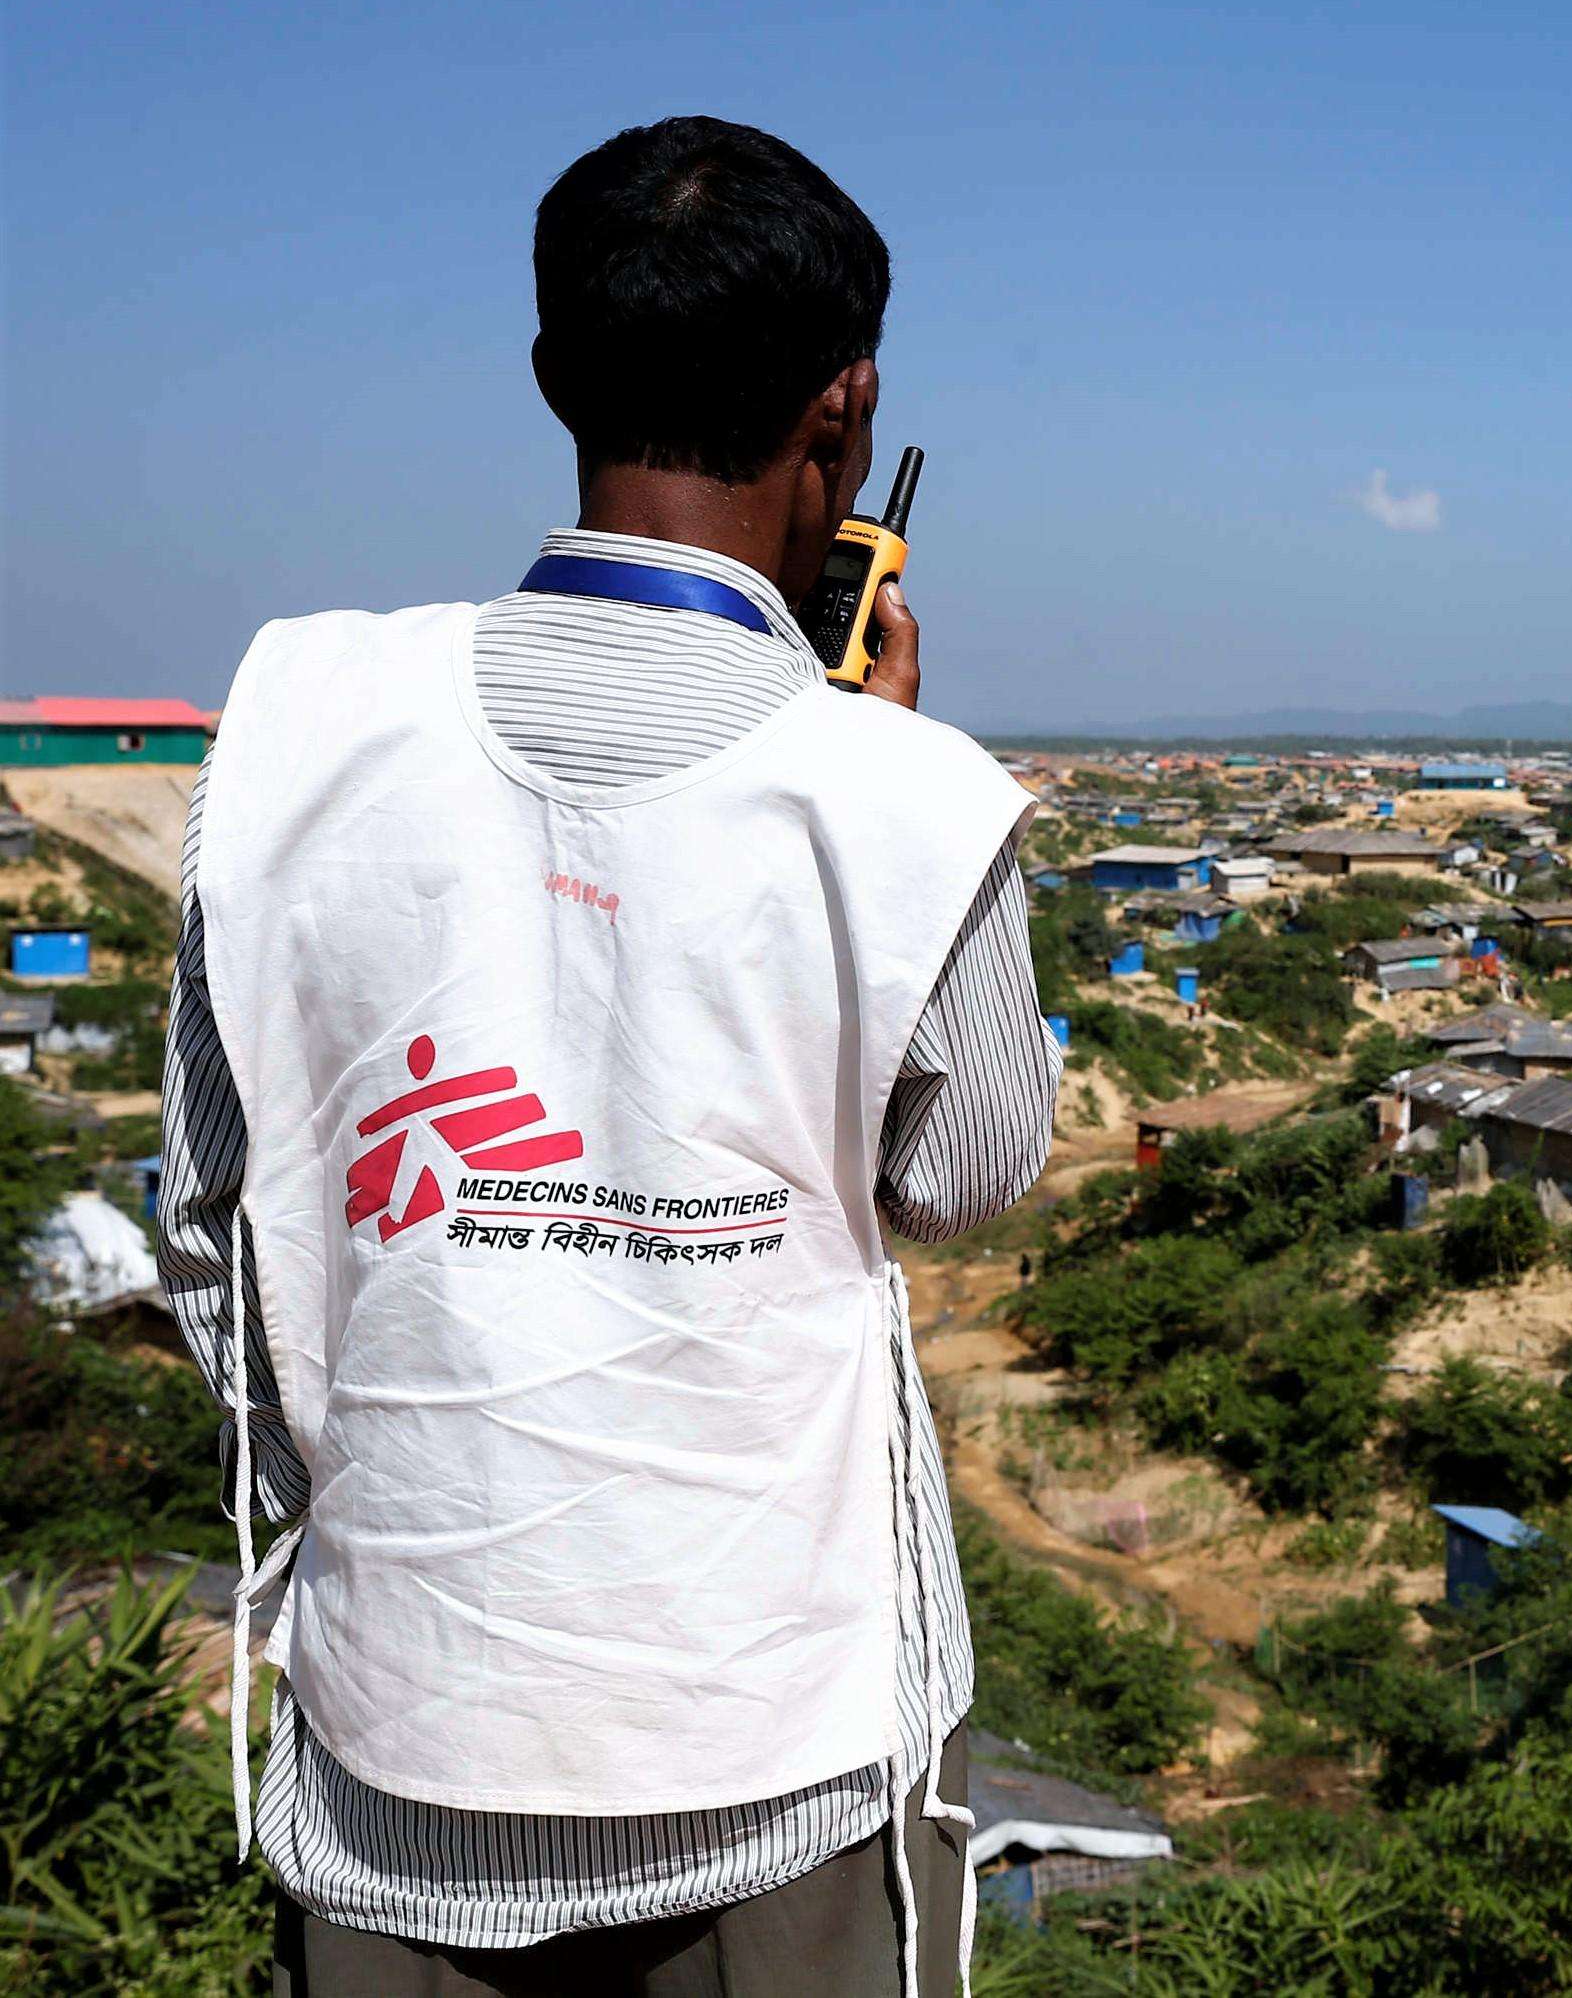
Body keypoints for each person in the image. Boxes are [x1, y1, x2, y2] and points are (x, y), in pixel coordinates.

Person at [157, 116, 1063, 1997]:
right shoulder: (901, 795)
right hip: (785, 1757)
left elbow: (212, 1233)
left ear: (558, 372)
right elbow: (967, 1169)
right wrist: (879, 760)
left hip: (403, 1739)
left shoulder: (295, 728)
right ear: (848, 409)